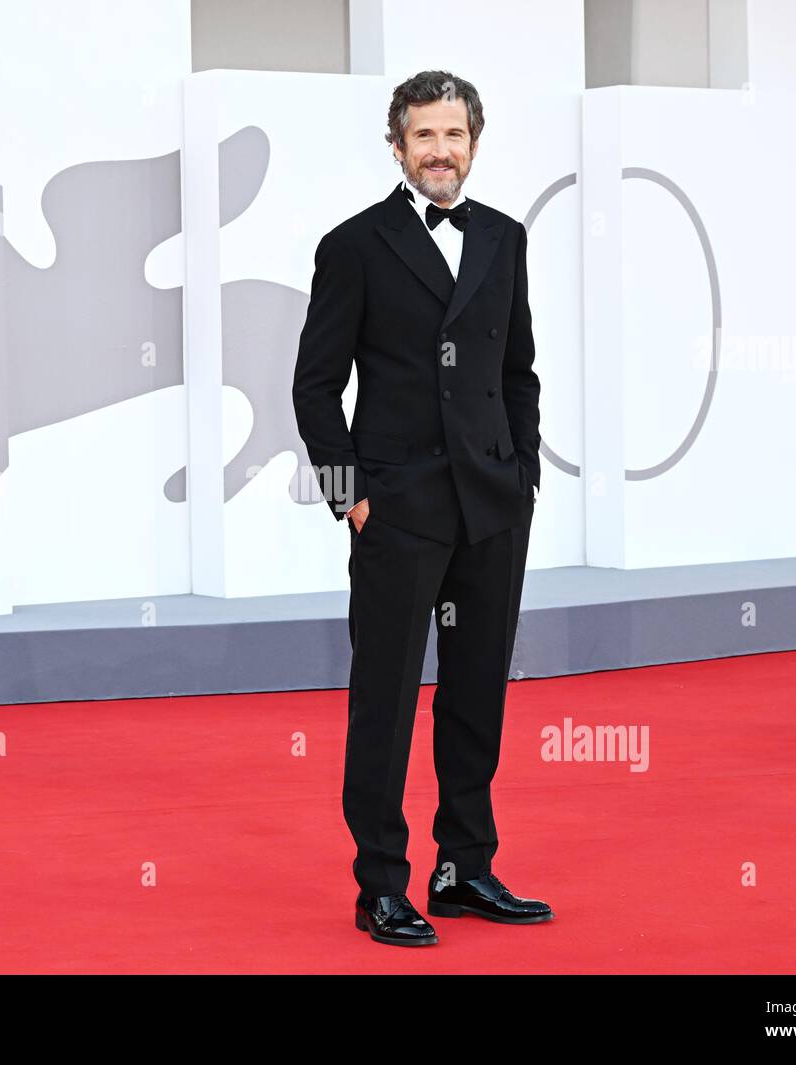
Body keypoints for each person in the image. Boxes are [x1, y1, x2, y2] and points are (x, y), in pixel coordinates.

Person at [291, 70, 554, 946]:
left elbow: (518, 372)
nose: (441, 151)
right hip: (397, 511)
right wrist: (349, 501)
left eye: (455, 135)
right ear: (397, 144)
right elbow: (315, 387)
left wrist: (522, 481)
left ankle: (465, 866)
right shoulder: (353, 245)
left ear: (474, 142)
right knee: (387, 698)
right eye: (425, 136)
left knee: (477, 692)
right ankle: (380, 884)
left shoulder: (507, 239)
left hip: (492, 506)